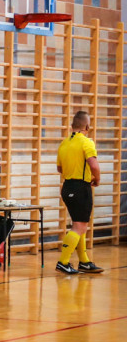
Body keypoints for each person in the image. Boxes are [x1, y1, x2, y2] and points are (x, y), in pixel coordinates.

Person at [55, 111, 103, 274]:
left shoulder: (63, 144)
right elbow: (94, 165)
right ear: (87, 127)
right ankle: (63, 262)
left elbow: (59, 168)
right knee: (79, 226)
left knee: (79, 224)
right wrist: (97, 179)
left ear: (71, 126)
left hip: (67, 186)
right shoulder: (86, 142)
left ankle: (84, 262)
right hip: (81, 187)